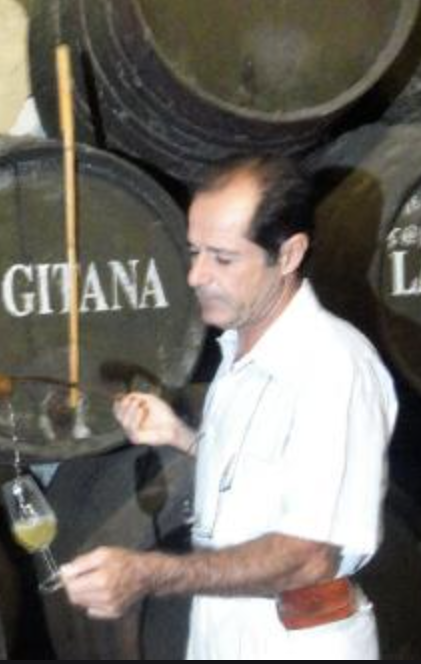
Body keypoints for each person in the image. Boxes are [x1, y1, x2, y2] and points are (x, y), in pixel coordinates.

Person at [62, 156, 398, 660]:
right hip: (226, 633)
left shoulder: (332, 368)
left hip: (296, 643)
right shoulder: (240, 350)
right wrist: (181, 436)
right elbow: (265, 483)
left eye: (222, 258)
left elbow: (309, 557)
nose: (196, 275)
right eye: (194, 252)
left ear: (288, 254)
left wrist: (151, 572)